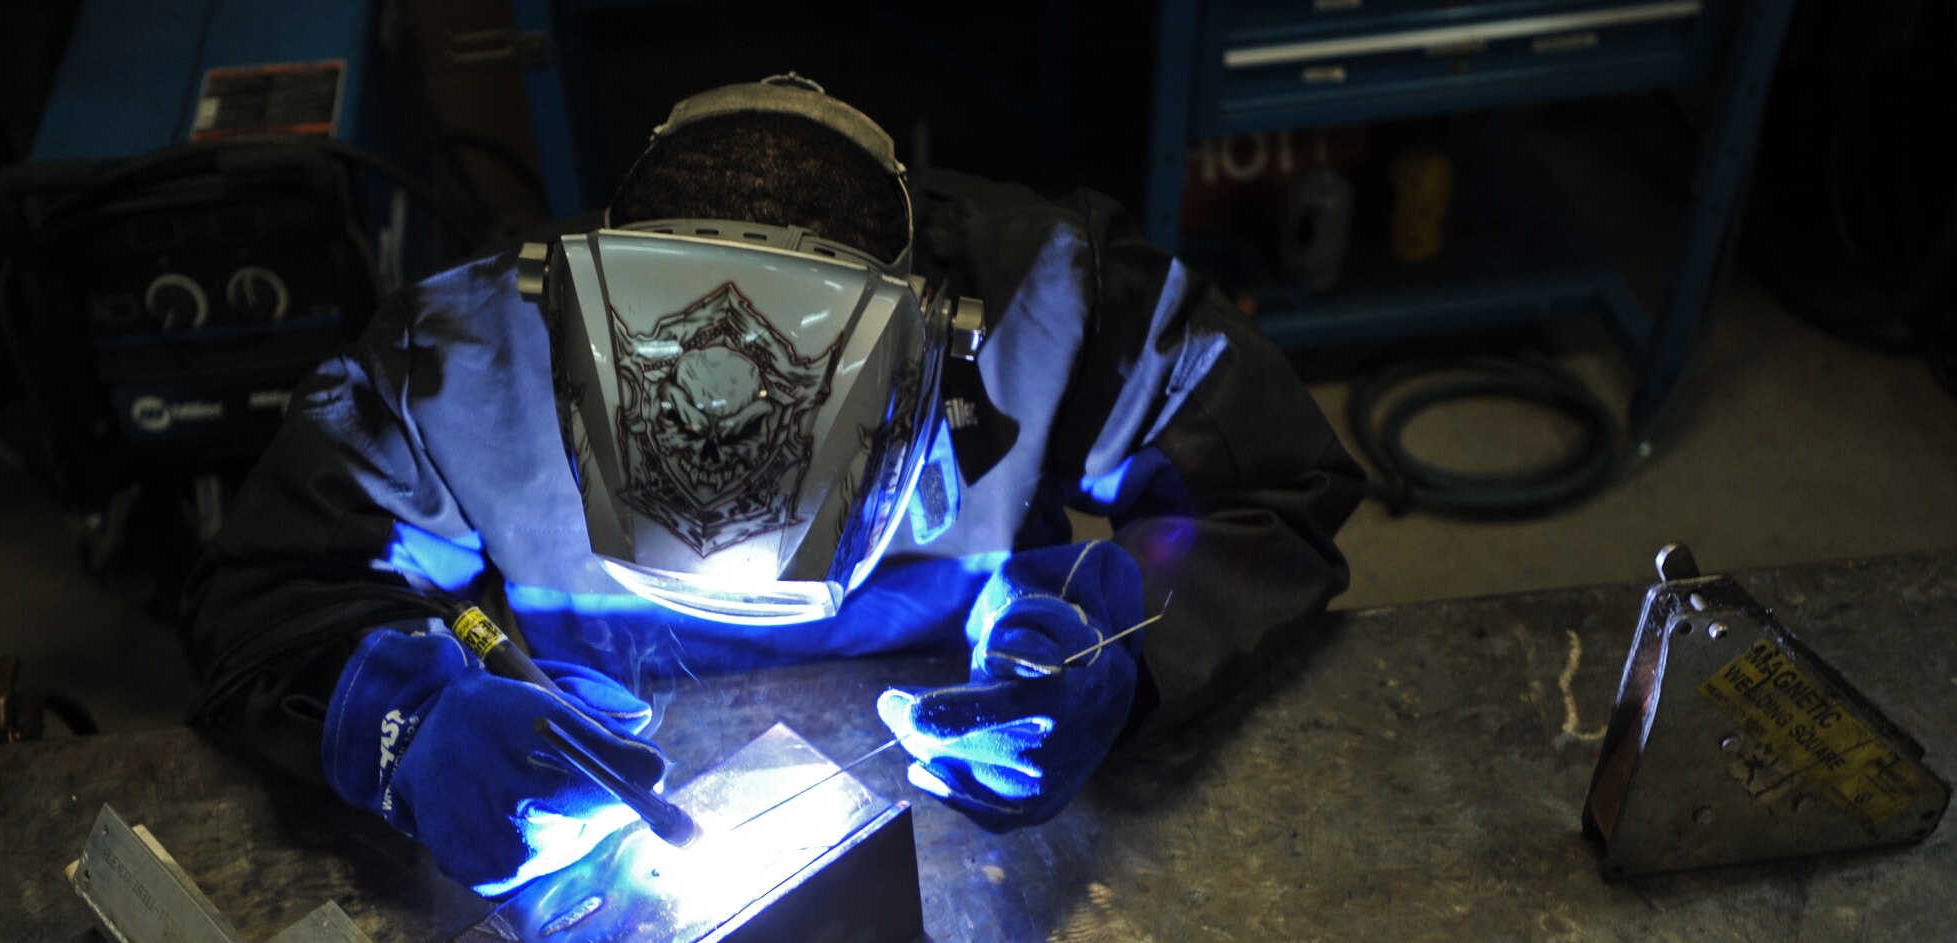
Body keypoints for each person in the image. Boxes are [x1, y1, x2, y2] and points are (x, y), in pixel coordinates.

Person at [182, 76, 1364, 895]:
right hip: (588, 767)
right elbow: (272, 592)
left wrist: (1116, 648)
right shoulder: (456, 359)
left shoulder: (1058, 300)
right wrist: (409, 727)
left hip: (954, 762)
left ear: (929, 374)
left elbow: (1268, 488)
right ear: (578, 365)